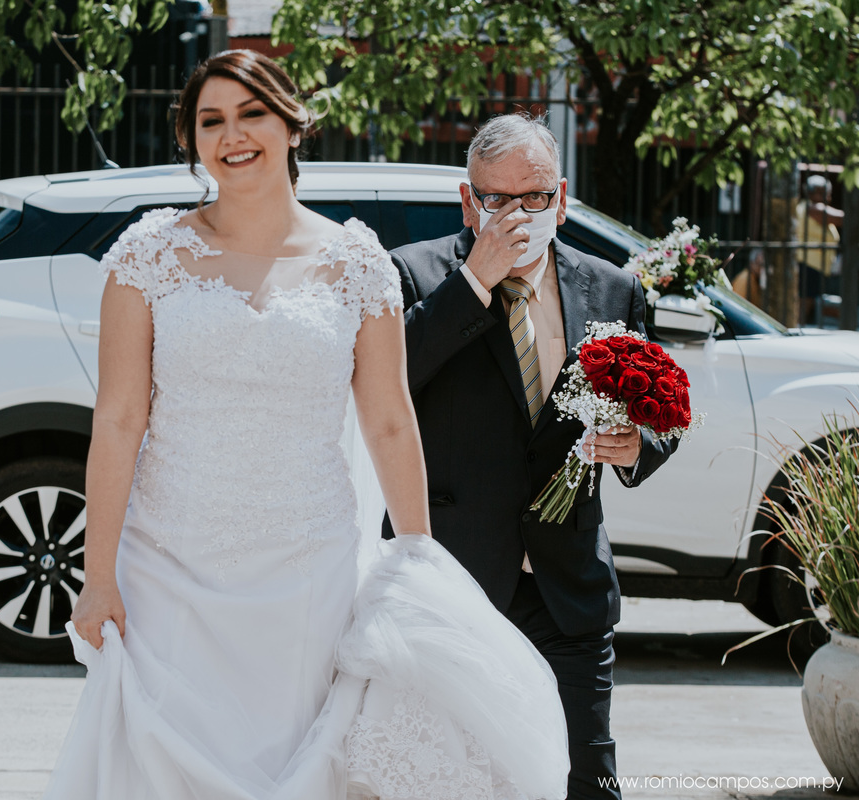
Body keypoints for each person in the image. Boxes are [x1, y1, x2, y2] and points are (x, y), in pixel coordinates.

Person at [43, 52, 568, 800]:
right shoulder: (147, 257)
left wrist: (417, 560)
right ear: (192, 140)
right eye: (211, 121)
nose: (232, 135)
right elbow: (120, 421)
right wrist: (97, 579)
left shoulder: (357, 263)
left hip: (309, 574)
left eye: (252, 114)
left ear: (292, 125)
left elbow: (389, 421)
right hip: (166, 568)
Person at [389, 113, 676, 800]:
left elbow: (660, 412)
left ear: (562, 198)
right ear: (469, 202)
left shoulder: (612, 289)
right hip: (454, 585)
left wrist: (637, 445)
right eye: (497, 199)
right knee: (458, 781)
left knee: (587, 781)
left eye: (536, 197)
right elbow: (389, 387)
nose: (518, 214)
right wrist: (474, 282)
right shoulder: (414, 274)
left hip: (567, 586)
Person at [795, 174, 843, 323]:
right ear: (815, 192)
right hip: (809, 266)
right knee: (803, 306)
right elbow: (844, 218)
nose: (828, 197)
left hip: (814, 267)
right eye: (826, 193)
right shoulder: (814, 208)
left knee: (807, 305)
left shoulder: (806, 207)